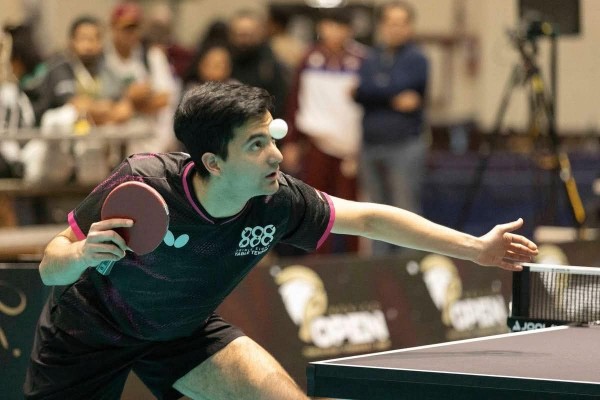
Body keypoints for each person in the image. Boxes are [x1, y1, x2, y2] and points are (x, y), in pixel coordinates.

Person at [24, 81, 538, 400]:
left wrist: (475, 249)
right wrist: (81, 254)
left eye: (272, 138)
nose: (276, 155)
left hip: (182, 334)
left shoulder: (278, 200)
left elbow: (369, 219)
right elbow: (50, 264)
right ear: (214, 162)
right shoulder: (144, 182)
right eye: (256, 145)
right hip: (88, 333)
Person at [283, 8, 366, 253]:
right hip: (316, 142)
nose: (334, 32)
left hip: (351, 144)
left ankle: (354, 260)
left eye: (340, 27)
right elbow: (295, 100)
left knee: (353, 206)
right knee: (317, 205)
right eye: (330, 26)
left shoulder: (362, 59)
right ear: (322, 28)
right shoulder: (308, 58)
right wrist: (291, 141)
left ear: (349, 30)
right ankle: (318, 260)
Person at [354, 1, 429, 255]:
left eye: (401, 23)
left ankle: (410, 267)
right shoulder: (370, 57)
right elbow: (360, 92)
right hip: (370, 144)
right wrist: (390, 96)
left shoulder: (417, 59)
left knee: (405, 211)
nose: (395, 29)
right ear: (381, 26)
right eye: (390, 23)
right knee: (375, 213)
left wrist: (372, 93)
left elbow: (369, 91)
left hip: (404, 144)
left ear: (410, 27)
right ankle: (380, 271)